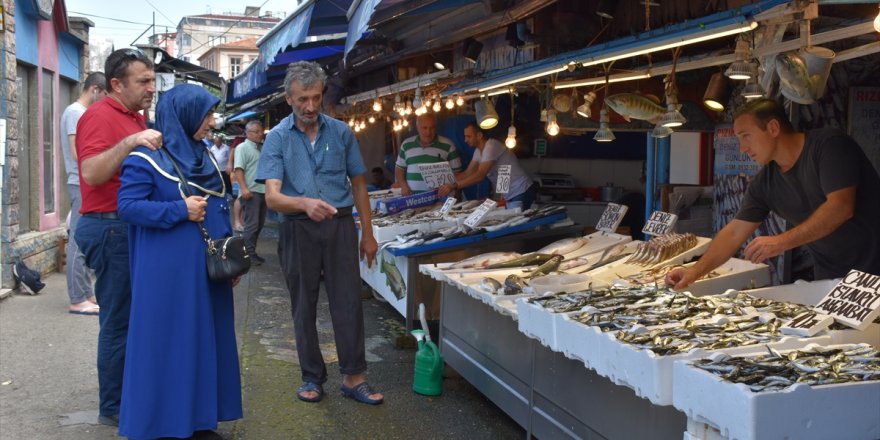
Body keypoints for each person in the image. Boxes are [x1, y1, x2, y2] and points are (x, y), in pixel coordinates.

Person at [116, 84, 242, 440]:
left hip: (208, 269)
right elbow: (127, 207)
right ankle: (162, 426)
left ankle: (201, 421)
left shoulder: (204, 158)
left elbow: (220, 206)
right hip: (167, 275)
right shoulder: (145, 158)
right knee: (171, 343)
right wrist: (178, 210)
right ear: (184, 115)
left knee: (206, 341)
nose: (212, 122)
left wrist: (228, 256)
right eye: (206, 115)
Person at [256, 61, 383, 405]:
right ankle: (311, 376)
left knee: (348, 302)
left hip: (340, 225)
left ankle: (354, 377)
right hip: (298, 229)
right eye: (302, 100)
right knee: (303, 304)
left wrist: (367, 233)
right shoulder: (278, 138)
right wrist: (304, 204)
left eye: (315, 98)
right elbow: (272, 196)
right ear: (288, 98)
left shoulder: (341, 132)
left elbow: (358, 183)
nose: (310, 107)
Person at [666, 98, 880, 289]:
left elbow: (840, 208)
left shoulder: (828, 145)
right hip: (833, 279)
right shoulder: (765, 183)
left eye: (746, 136)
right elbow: (733, 233)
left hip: (875, 269)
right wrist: (695, 271)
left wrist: (781, 242)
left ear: (773, 127)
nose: (742, 148)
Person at [75, 48, 163, 427]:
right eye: (143, 81)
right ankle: (113, 407)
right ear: (116, 84)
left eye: (152, 80)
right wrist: (131, 142)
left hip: (124, 225)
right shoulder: (99, 116)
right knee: (118, 320)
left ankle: (129, 396)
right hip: (109, 226)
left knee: (130, 317)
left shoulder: (134, 116)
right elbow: (92, 173)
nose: (151, 87)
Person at [60, 72, 105, 315]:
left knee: (83, 239)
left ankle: (86, 293)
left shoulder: (77, 113)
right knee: (78, 240)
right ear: (96, 89)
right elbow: (79, 153)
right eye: (104, 94)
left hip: (81, 182)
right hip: (80, 182)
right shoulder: (76, 113)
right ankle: (77, 297)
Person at [437, 122, 538, 209]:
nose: (465, 140)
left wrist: (454, 185)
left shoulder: (491, 146)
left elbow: (480, 175)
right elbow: (468, 173)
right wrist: (445, 182)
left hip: (521, 190)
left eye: (469, 136)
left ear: (479, 135)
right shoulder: (478, 151)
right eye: (465, 137)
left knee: (518, 226)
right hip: (509, 194)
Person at [394, 112, 462, 195]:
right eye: (424, 128)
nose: (428, 132)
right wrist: (403, 185)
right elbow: (399, 169)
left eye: (432, 128)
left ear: (436, 127)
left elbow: (457, 173)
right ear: (417, 128)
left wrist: (453, 190)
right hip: (412, 198)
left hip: (440, 199)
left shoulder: (448, 145)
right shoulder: (406, 145)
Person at [234, 120, 267, 264]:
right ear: (248, 133)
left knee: (258, 224)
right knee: (252, 224)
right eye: (257, 132)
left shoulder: (261, 147)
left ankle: (251, 252)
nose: (260, 134)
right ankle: (247, 254)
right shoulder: (242, 147)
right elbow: (238, 169)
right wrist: (244, 188)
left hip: (263, 190)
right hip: (251, 191)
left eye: (261, 131)